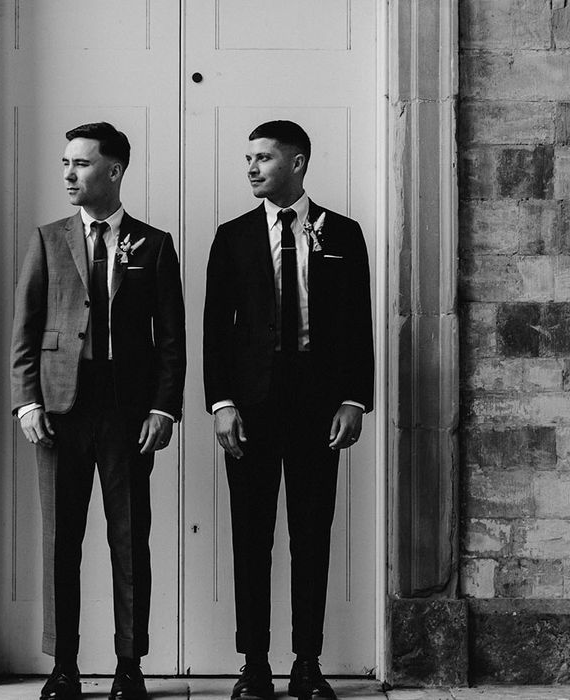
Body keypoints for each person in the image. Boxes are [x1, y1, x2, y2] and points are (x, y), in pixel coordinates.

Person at [11, 121, 186, 700]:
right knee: (61, 540)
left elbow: (172, 340)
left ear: (114, 171)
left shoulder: (154, 244)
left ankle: (128, 665)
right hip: (60, 412)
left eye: (81, 164)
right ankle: (63, 666)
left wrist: (164, 410)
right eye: (65, 162)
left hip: (128, 413)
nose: (68, 173)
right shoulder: (47, 239)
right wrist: (27, 401)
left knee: (130, 539)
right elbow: (26, 330)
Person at [202, 120, 374, 700]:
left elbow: (358, 327)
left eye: (264, 158)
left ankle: (307, 663)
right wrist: (221, 404)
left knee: (311, 535)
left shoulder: (343, 234)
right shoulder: (232, 237)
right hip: (249, 411)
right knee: (251, 538)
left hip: (318, 409)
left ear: (298, 163)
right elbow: (214, 333)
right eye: (247, 158)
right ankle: (254, 664)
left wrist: (354, 399)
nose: (251, 167)